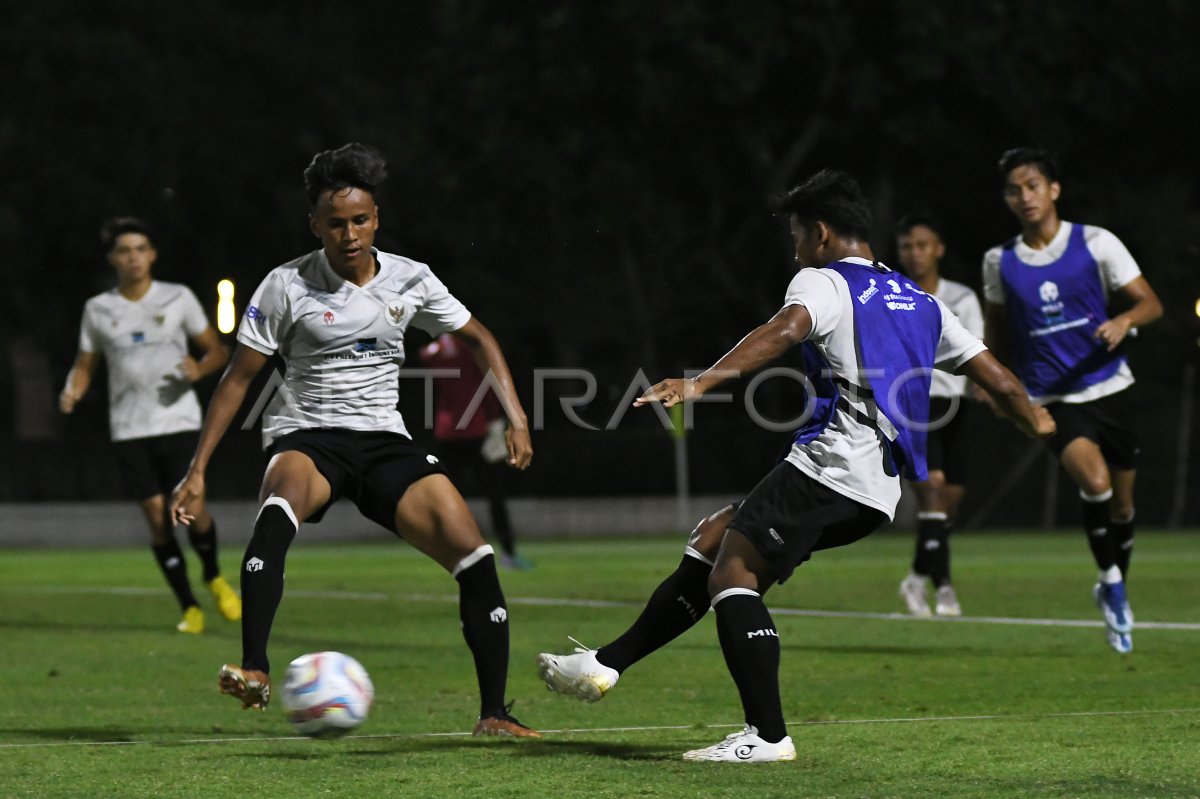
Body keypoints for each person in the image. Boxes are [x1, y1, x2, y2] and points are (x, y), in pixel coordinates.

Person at [537, 170, 1054, 762]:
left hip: (833, 465)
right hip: (877, 490)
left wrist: (701, 381)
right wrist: (1036, 423)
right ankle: (603, 666)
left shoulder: (825, 280)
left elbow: (786, 329)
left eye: (797, 235)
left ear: (823, 233)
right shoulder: (925, 303)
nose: (795, 248)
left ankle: (768, 735)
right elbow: (1002, 383)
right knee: (713, 538)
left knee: (733, 573)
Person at [168, 143, 539, 737]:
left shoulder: (411, 278)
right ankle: (255, 668)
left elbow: (480, 338)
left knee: (475, 557)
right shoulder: (285, 284)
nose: (349, 234)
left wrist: (516, 416)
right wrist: (198, 471)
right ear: (314, 225)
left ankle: (494, 714)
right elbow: (238, 380)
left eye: (360, 220)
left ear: (376, 220)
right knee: (277, 511)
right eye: (335, 223)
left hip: (385, 441)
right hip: (308, 434)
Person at [982, 148, 1163, 654]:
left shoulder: (1096, 243)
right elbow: (995, 332)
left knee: (1123, 507)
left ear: (1053, 190)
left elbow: (1150, 302)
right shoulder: (1001, 261)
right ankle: (1112, 579)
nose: (1025, 197)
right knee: (1095, 481)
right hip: (1052, 397)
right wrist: (992, 381)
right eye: (1015, 190)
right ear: (1007, 199)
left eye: (1033, 186)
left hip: (1111, 387)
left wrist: (1125, 320)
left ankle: (1110, 584)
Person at [60, 217, 239, 634]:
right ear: (113, 259)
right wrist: (73, 390)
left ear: (152, 255)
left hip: (178, 421)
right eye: (125, 250)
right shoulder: (98, 309)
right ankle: (189, 607)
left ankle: (213, 574)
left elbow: (217, 351)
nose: (133, 257)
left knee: (190, 510)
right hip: (129, 428)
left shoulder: (177, 298)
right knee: (158, 520)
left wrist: (198, 369)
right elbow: (85, 365)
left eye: (140, 248)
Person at [894, 214, 984, 618]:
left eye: (922, 245)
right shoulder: (892, 295)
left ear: (939, 249)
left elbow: (974, 349)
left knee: (950, 499)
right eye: (907, 246)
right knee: (931, 490)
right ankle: (944, 588)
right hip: (913, 402)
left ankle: (916, 578)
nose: (914, 254)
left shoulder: (962, 298)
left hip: (957, 403)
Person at [419, 333, 531, 570]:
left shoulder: (434, 351)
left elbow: (427, 357)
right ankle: (508, 553)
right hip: (476, 428)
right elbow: (487, 380)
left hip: (448, 429)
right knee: (495, 494)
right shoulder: (470, 346)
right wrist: (495, 418)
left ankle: (446, 550)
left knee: (448, 496)